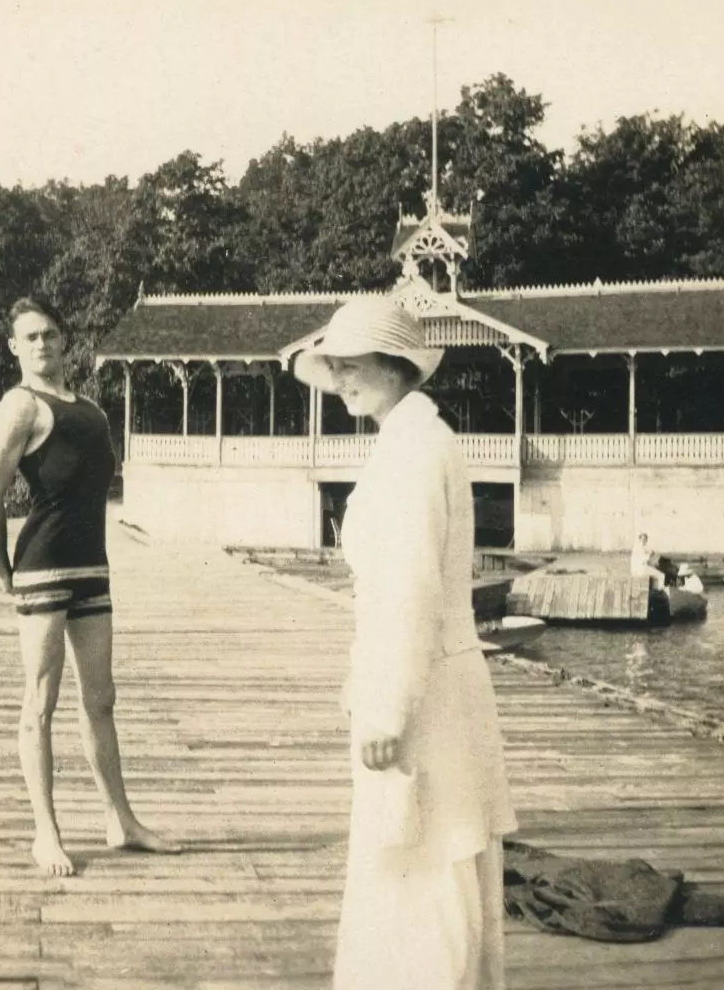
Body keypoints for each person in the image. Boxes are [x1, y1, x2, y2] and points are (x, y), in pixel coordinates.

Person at [293, 295, 518, 990]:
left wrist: (389, 710)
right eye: (335, 366)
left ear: (396, 366)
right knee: (412, 858)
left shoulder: (417, 450)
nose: (342, 379)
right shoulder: (406, 440)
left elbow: (413, 591)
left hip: (425, 692)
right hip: (425, 677)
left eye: (353, 364)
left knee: (429, 861)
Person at [0, 295, 180, 877]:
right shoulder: (18, 407)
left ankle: (122, 822)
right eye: (30, 336)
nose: (42, 344)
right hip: (41, 568)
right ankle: (46, 832)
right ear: (15, 347)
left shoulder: (91, 409)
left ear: (65, 342)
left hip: (91, 567)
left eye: (50, 335)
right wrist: (4, 573)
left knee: (101, 699)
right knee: (41, 703)